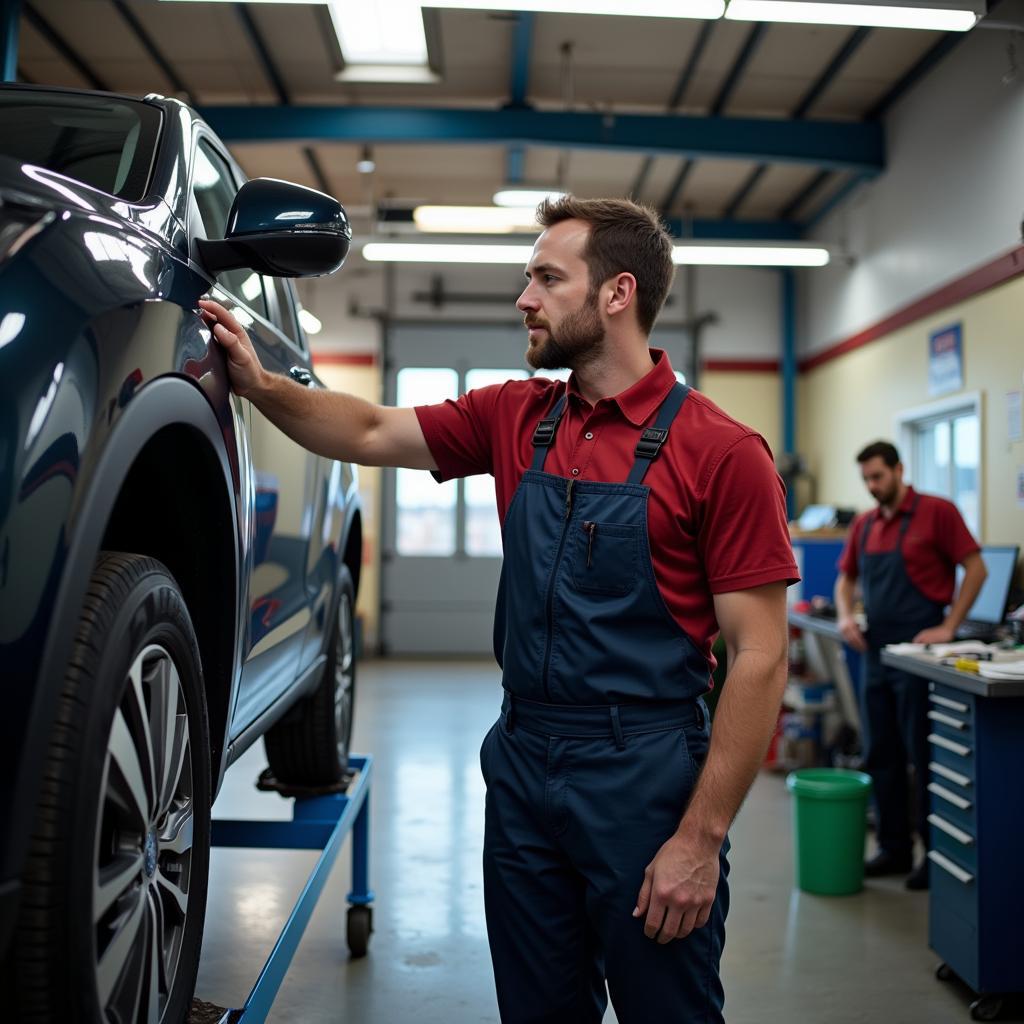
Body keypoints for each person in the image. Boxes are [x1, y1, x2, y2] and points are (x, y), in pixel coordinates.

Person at [200, 196, 798, 1023]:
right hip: (522, 761)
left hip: (646, 773)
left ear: (617, 294)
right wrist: (262, 386)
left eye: (548, 279)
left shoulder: (723, 453)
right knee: (537, 1009)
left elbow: (760, 656)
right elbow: (370, 428)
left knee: (669, 1009)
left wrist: (698, 840)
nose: (525, 298)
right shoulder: (516, 416)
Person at [834, 441, 986, 891]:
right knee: (881, 752)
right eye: (866, 479)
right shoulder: (863, 525)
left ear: (900, 469)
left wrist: (950, 626)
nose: (872, 486)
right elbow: (847, 578)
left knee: (921, 753)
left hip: (921, 656)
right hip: (877, 653)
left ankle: (933, 855)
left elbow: (975, 568)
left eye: (878, 476)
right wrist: (845, 616)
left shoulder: (937, 512)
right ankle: (894, 848)